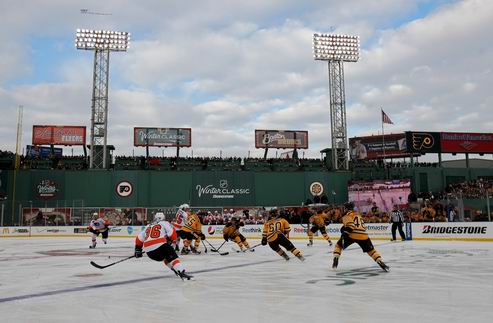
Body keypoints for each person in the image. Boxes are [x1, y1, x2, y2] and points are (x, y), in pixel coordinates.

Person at [134, 212, 193, 280]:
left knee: (166, 257)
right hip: (160, 245)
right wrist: (169, 240)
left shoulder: (148, 226)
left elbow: (139, 239)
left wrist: (138, 250)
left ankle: (174, 269)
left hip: (149, 252)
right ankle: (181, 272)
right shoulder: (165, 223)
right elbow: (173, 235)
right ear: (163, 218)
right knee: (172, 256)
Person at [332, 202, 389, 272]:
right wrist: (344, 227)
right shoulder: (358, 215)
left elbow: (351, 226)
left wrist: (345, 233)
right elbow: (357, 225)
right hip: (363, 235)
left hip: (352, 234)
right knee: (371, 251)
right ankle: (380, 261)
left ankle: (336, 259)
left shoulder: (346, 215)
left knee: (338, 246)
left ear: (346, 208)